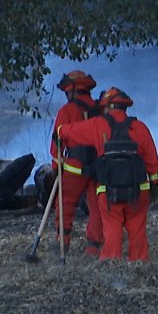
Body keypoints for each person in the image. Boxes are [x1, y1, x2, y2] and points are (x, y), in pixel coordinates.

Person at [58, 88, 158, 262]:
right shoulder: (140, 127)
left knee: (112, 227)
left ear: (106, 107)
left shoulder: (98, 124)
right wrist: (154, 185)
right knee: (137, 228)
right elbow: (152, 161)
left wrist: (60, 130)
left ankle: (111, 263)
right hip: (138, 190)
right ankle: (139, 263)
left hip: (109, 191)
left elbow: (70, 131)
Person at [50, 70, 104, 257]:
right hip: (98, 167)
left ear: (71, 90)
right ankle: (94, 247)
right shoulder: (100, 109)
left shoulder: (67, 111)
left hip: (75, 167)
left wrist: (56, 168)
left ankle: (62, 243)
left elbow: (57, 141)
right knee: (97, 207)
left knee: (64, 203)